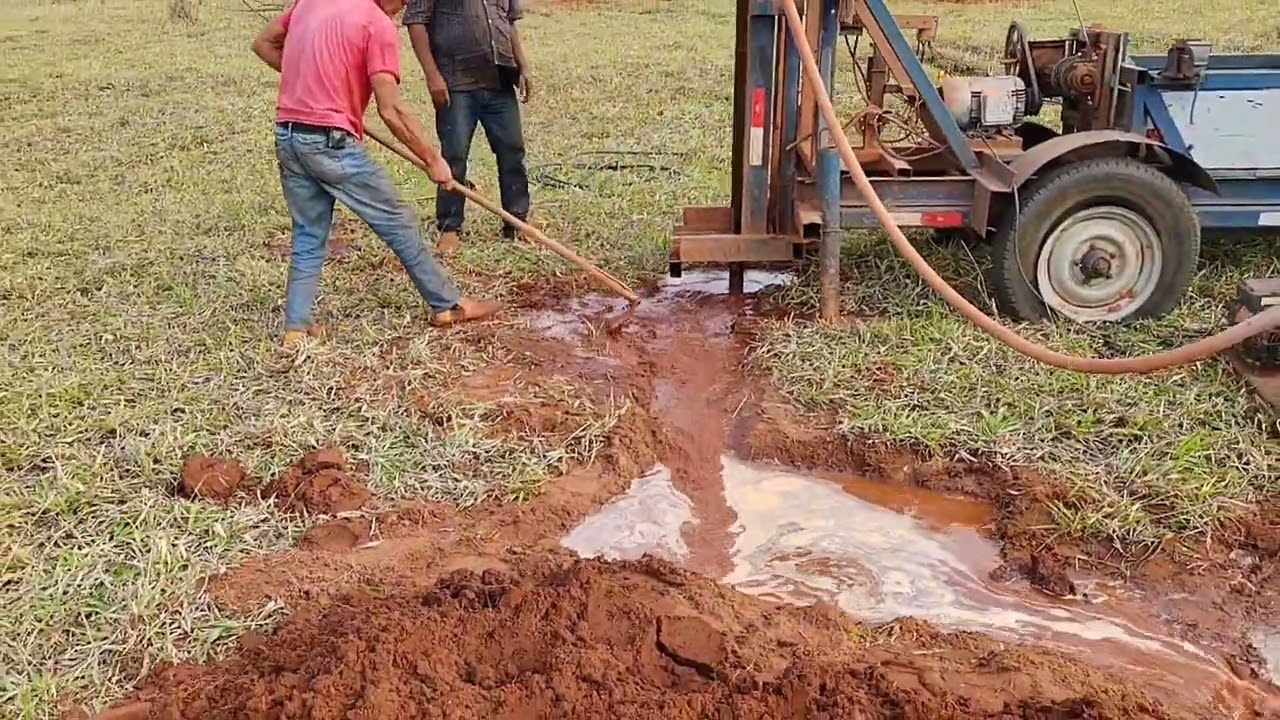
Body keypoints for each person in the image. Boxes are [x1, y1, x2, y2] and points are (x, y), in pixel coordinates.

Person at [250, 0, 501, 347]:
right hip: (329, 142)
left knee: (309, 232)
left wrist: (315, 88)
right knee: (397, 220)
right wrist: (433, 160)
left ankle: (296, 327)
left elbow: (263, 43)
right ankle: (447, 305)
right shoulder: (376, 23)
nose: (404, 6)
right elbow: (392, 109)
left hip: (289, 134)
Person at [403, 0, 532, 255]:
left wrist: (523, 66)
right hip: (455, 82)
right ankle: (449, 227)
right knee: (454, 155)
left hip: (499, 81)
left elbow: (509, 22)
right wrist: (432, 76)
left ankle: (517, 221)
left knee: (513, 151)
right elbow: (416, 22)